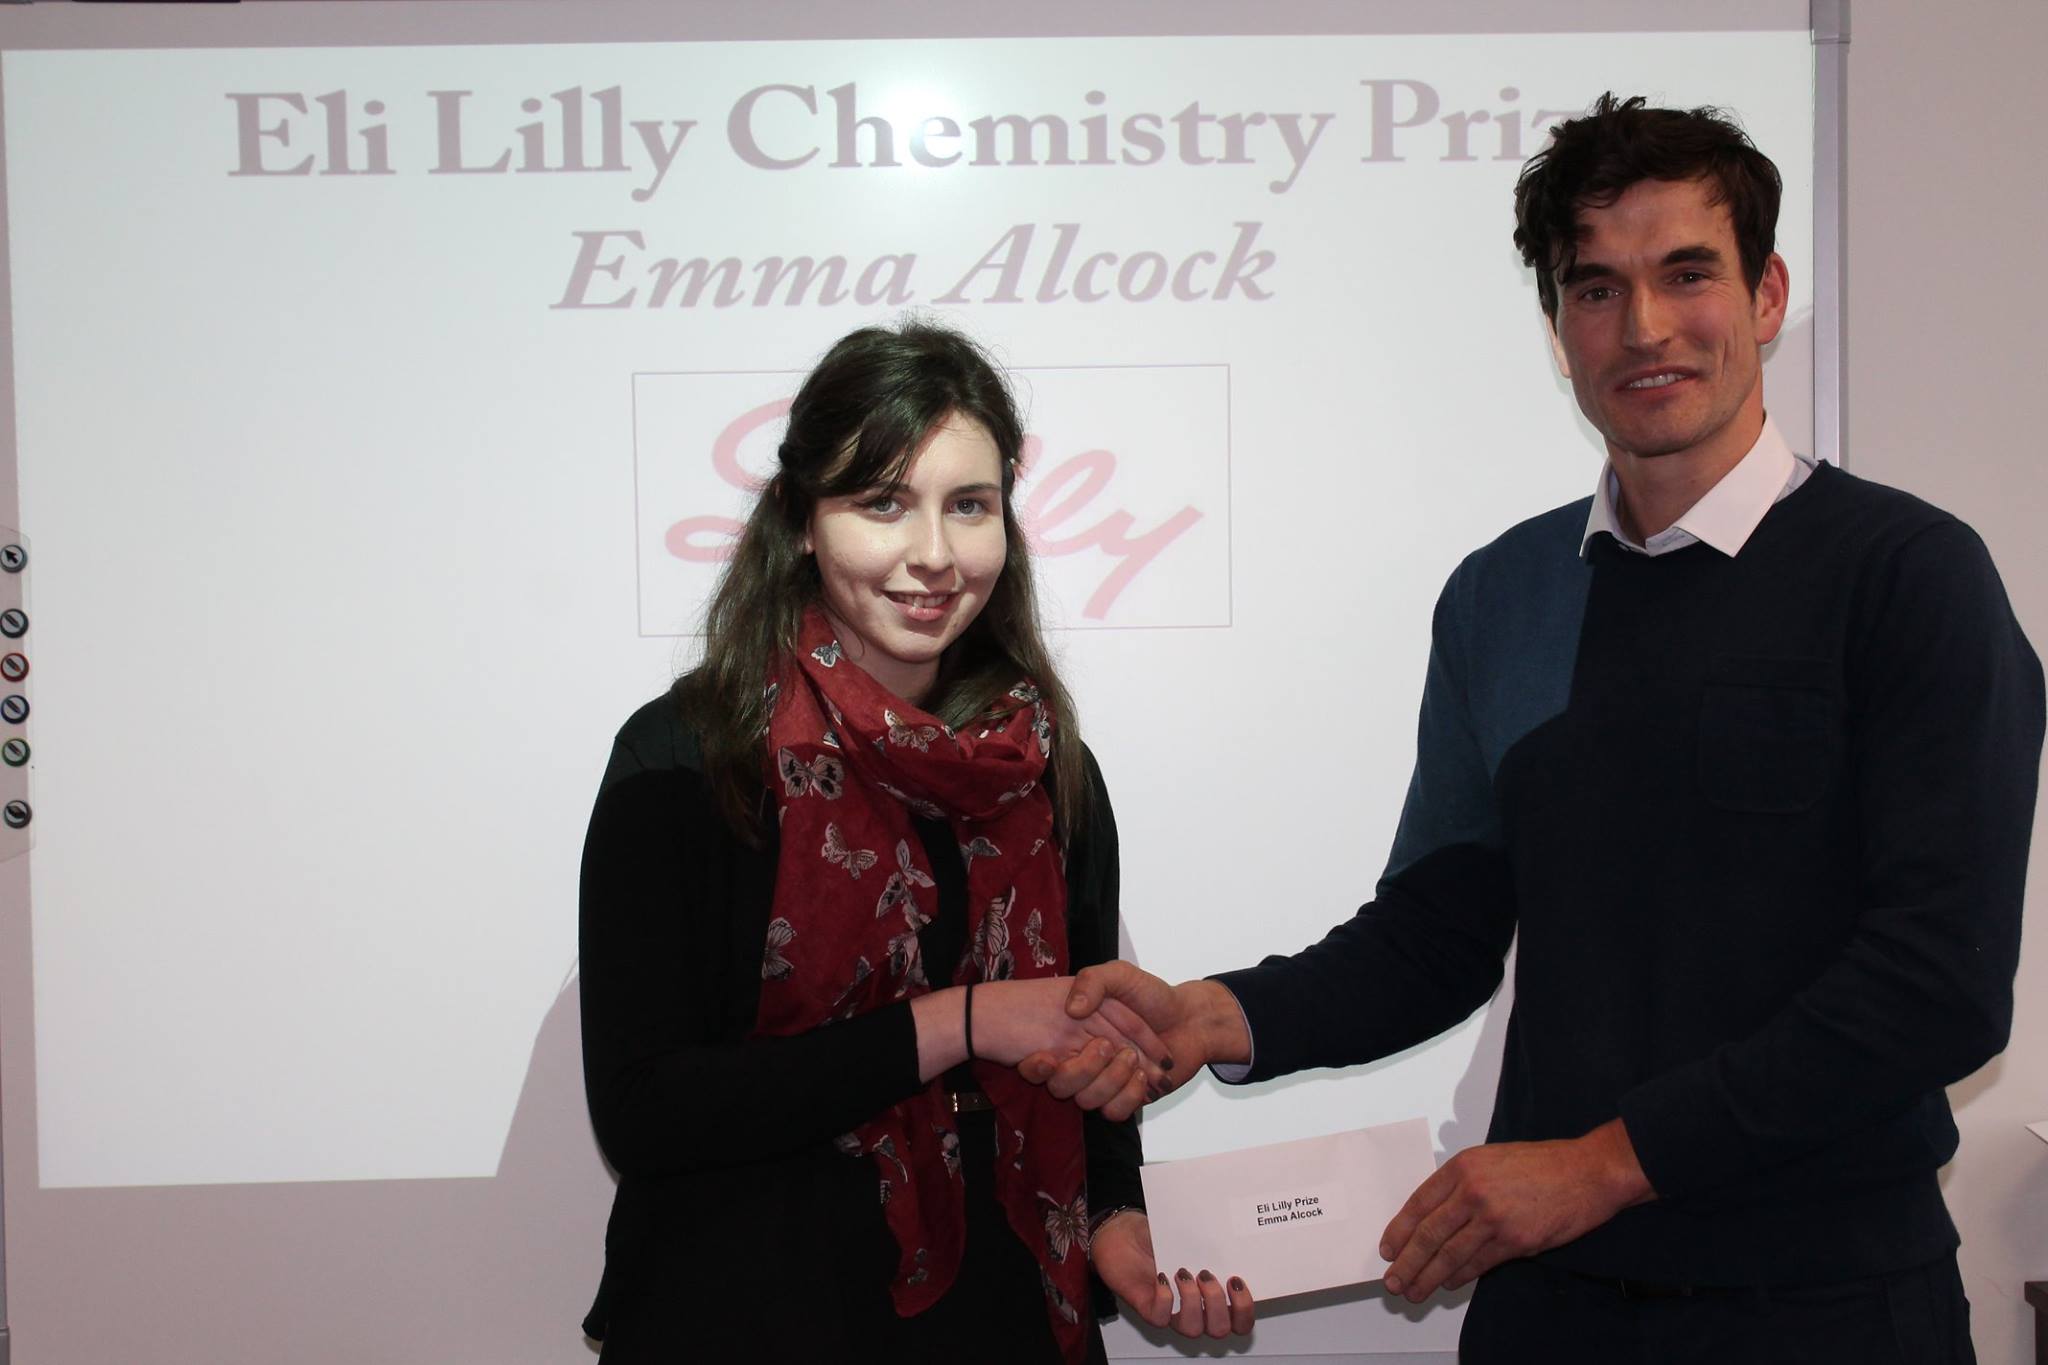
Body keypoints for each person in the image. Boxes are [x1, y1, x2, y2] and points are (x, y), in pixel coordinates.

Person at [1027, 95, 2043, 1363]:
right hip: (1549, 1309)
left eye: (1687, 274)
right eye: (1594, 289)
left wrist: (1602, 1166)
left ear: (1768, 295)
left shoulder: (1907, 578)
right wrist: (1213, 1016)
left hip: (1825, 1304)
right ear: (1558, 329)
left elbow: (1937, 990)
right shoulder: (1501, 593)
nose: (1644, 327)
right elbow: (1437, 933)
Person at [577, 320, 1251, 1364]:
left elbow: (1086, 1045)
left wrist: (1116, 1219)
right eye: (882, 502)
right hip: (749, 1312)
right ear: (803, 521)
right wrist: (961, 1021)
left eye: (968, 505)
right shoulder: (686, 759)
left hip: (1004, 1314)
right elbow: (645, 1113)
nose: (933, 554)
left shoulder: (1044, 765)